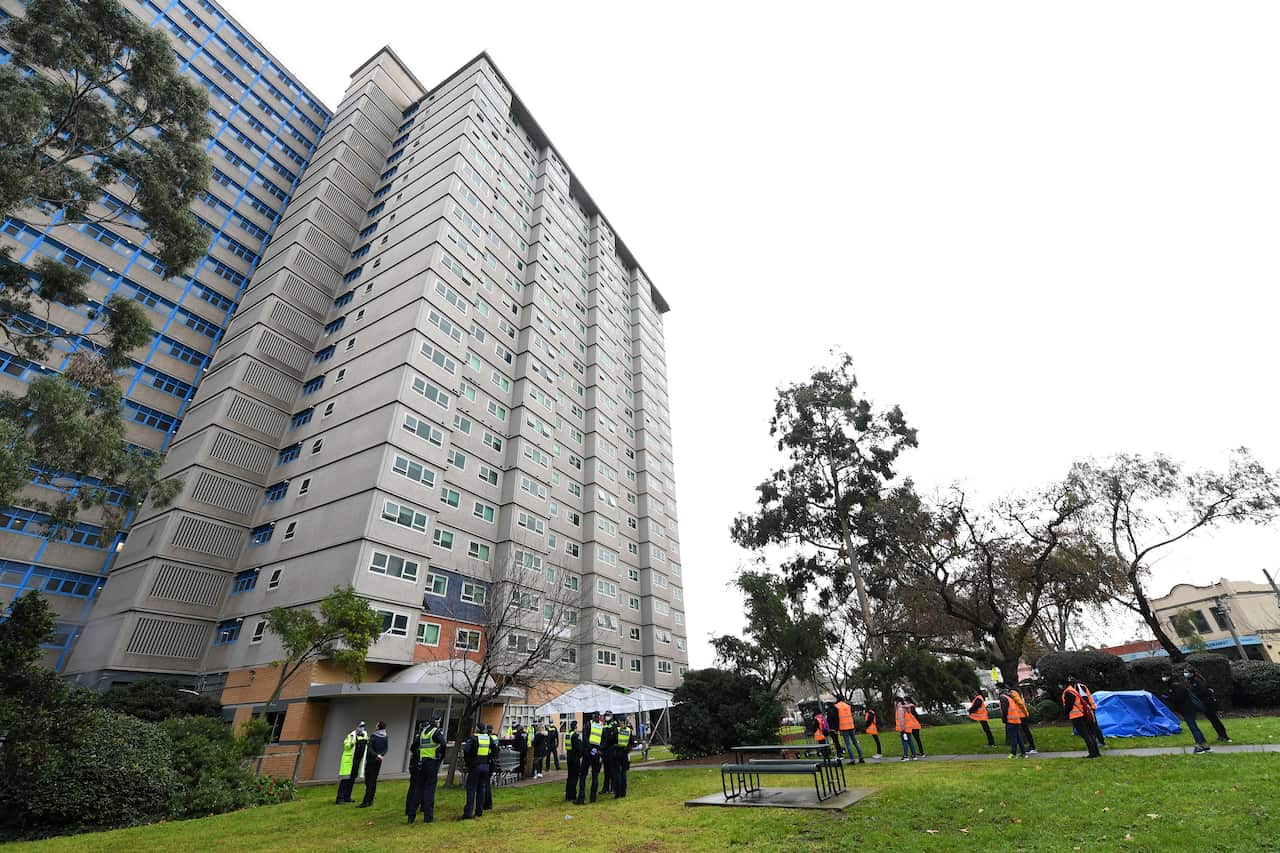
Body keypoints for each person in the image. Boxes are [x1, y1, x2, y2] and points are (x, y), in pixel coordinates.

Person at [1162, 673, 1212, 754]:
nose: (1163, 678)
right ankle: (1205, 746)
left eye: (1165, 676)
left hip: (1187, 710)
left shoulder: (1175, 687)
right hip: (1189, 709)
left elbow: (1178, 699)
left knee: (1193, 728)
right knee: (1195, 727)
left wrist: (1168, 697)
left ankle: (1199, 747)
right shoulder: (1179, 685)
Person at [409, 714, 445, 824]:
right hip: (431, 764)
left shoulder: (423, 732)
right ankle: (428, 817)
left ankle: (411, 816)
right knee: (429, 790)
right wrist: (440, 758)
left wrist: (418, 755)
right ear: (438, 722)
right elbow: (443, 745)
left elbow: (413, 747)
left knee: (418, 789)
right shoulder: (436, 732)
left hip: (421, 763)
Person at [1185, 665, 1231, 743]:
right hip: (1205, 702)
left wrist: (1193, 694)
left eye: (1186, 672)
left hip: (1207, 703)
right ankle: (1221, 735)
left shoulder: (1196, 681)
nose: (1185, 674)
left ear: (1191, 673)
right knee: (1213, 720)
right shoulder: (1193, 681)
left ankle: (1224, 736)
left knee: (1214, 720)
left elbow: (1202, 691)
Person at [461, 721, 494, 819]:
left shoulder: (473, 738)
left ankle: (468, 813)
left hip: (475, 766)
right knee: (482, 788)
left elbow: (466, 750)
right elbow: (495, 750)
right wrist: (488, 759)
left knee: (471, 789)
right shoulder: (488, 738)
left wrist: (468, 763)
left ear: (476, 729)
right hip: (485, 766)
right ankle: (479, 811)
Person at [1061, 678, 1102, 759]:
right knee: (1090, 734)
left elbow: (1069, 705)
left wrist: (1066, 713)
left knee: (1086, 735)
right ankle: (1096, 753)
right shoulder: (1073, 690)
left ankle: (1092, 754)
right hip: (1083, 714)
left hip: (1076, 716)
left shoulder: (1068, 692)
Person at [335, 721, 368, 804]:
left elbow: (367, 744)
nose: (362, 728)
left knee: (352, 780)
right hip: (349, 762)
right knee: (345, 781)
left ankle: (347, 797)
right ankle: (340, 798)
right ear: (357, 727)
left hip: (357, 762)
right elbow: (346, 746)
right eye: (360, 726)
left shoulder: (364, 736)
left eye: (363, 726)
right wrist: (353, 742)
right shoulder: (351, 736)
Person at [358, 721, 389, 807]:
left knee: (369, 780)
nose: (375, 726)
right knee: (374, 780)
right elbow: (386, 748)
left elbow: (370, 748)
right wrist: (381, 755)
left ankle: (366, 801)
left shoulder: (374, 736)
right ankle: (370, 800)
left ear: (378, 727)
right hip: (378, 761)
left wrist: (376, 755)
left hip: (371, 760)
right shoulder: (385, 736)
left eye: (377, 724)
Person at [1073, 676, 1107, 749]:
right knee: (1092, 726)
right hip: (1089, 709)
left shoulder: (1078, 686)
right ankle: (1097, 742)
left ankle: (1100, 742)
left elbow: (1084, 699)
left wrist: (1086, 710)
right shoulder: (1080, 686)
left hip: (1089, 709)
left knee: (1093, 725)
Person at [581, 711, 607, 803]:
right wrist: (599, 750)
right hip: (597, 753)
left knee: (583, 775)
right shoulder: (601, 726)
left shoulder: (588, 724)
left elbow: (585, 738)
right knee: (595, 776)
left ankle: (581, 798)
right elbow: (604, 740)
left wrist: (590, 749)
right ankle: (593, 798)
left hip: (588, 752)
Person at [998, 684, 1028, 758]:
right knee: (1018, 737)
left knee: (1013, 737)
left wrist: (1004, 719)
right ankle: (1023, 753)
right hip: (1016, 719)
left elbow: (1004, 710)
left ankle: (1013, 753)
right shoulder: (1010, 697)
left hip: (1010, 720)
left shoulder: (1003, 697)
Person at [834, 697, 865, 765]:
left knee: (848, 744)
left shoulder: (837, 706)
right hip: (851, 726)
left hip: (844, 727)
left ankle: (852, 760)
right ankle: (861, 757)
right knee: (855, 742)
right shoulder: (847, 706)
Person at [1010, 685, 1037, 754]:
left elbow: (1020, 703)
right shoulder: (1016, 693)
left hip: (1021, 715)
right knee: (1026, 731)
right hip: (1021, 715)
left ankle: (1032, 747)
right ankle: (1031, 746)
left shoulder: (1013, 693)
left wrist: (1026, 713)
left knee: (1025, 731)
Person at [612, 715, 633, 797]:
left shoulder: (616, 730)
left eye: (620, 722)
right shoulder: (628, 730)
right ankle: (622, 793)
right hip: (624, 753)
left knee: (619, 774)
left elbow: (612, 741)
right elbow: (631, 743)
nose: (620, 723)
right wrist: (627, 749)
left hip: (618, 752)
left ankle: (619, 793)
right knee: (622, 774)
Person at [894, 696, 919, 761]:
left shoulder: (900, 708)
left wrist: (903, 729)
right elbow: (912, 705)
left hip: (904, 728)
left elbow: (901, 719)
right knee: (910, 741)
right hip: (909, 727)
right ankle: (914, 755)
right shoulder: (905, 707)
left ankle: (905, 756)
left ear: (896, 701)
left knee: (904, 742)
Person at [600, 710, 618, 795]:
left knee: (612, 770)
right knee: (606, 770)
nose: (606, 717)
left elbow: (612, 738)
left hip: (612, 750)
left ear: (611, 716)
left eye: (608, 715)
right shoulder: (604, 725)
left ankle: (613, 787)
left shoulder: (614, 725)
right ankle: (605, 787)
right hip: (605, 751)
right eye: (605, 715)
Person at [564, 720, 583, 801]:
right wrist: (581, 754)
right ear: (575, 727)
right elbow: (578, 747)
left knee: (570, 777)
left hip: (569, 757)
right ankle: (573, 795)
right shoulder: (575, 735)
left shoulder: (568, 734)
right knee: (574, 777)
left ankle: (568, 795)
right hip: (575, 758)